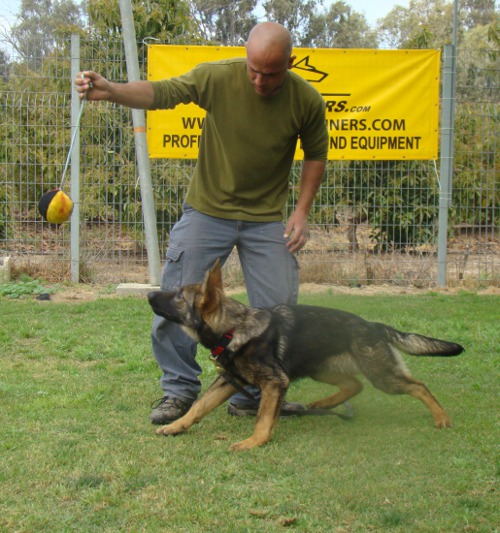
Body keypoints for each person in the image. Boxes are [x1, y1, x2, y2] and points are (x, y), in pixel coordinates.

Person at [75, 21, 328, 424]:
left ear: (290, 63)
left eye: (272, 73)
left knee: (278, 311)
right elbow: (164, 92)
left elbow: (316, 154)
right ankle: (178, 391)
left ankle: (250, 395)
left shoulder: (307, 100)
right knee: (175, 300)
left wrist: (301, 211)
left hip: (265, 220)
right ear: (245, 58)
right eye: (254, 70)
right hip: (207, 211)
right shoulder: (218, 76)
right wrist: (113, 91)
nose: (260, 81)